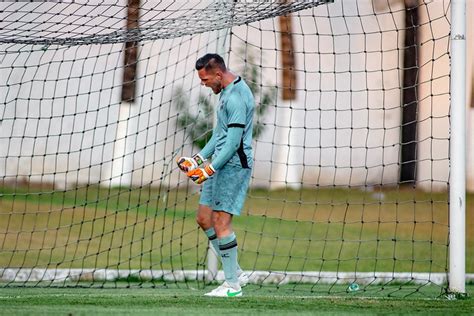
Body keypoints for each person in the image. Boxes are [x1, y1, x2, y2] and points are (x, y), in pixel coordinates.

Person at [176, 53, 254, 297]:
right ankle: (237, 272)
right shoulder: (225, 94)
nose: (203, 83)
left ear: (218, 74)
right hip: (220, 165)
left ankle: (232, 285)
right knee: (204, 218)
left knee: (221, 222)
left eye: (205, 79)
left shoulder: (237, 98)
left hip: (233, 167)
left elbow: (232, 143)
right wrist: (196, 160)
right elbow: (219, 135)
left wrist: (208, 169)